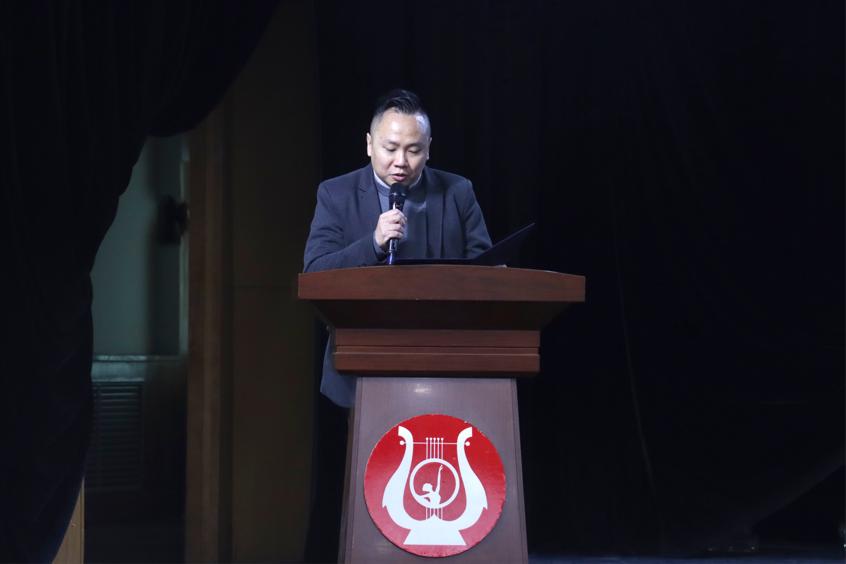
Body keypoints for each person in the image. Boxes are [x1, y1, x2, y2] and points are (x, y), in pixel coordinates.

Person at [303, 89, 492, 408]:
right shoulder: (336, 194)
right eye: (390, 148)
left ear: (428, 149)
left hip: (445, 358)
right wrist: (373, 243)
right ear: (369, 144)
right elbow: (315, 274)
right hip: (361, 360)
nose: (401, 162)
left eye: (413, 150)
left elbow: (485, 270)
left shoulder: (458, 191)